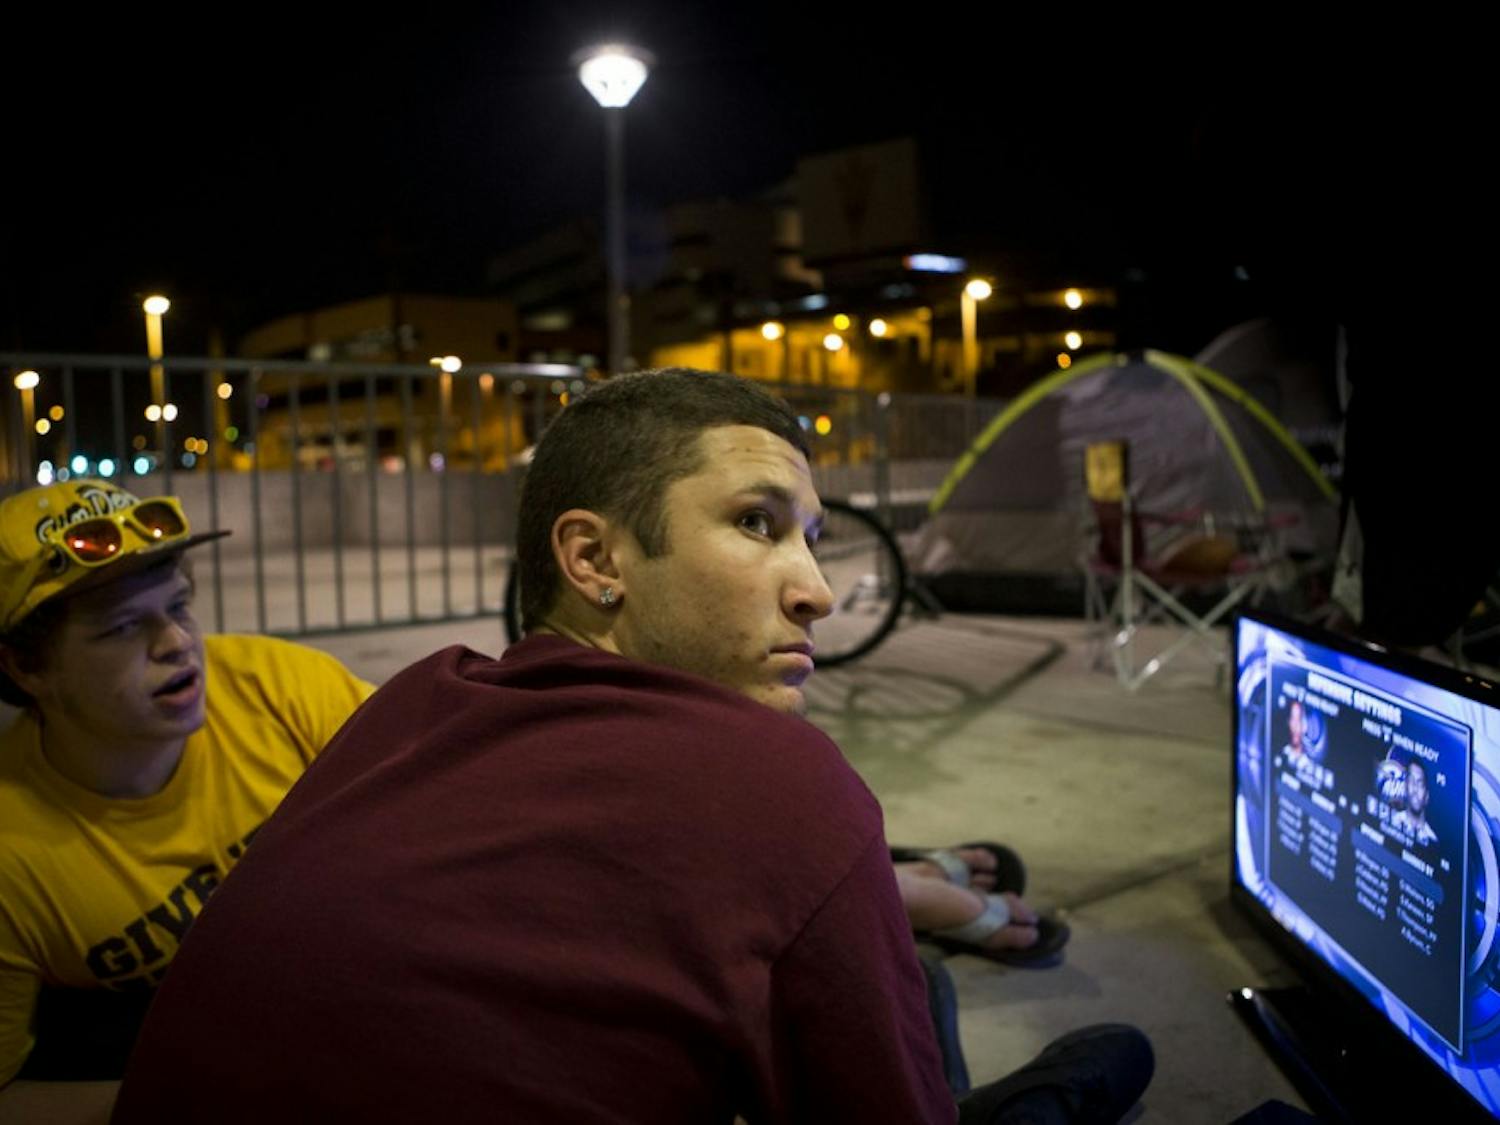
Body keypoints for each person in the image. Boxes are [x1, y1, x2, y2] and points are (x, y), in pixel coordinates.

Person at [114, 369, 1152, 1124]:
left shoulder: (413, 702)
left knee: (900, 988)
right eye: (756, 523)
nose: (818, 590)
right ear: (594, 556)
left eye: (811, 536)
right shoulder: (783, 784)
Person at [0, 478, 374, 1124]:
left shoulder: (282, 687)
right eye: (121, 627)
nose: (176, 643)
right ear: (26, 668)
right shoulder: (13, 857)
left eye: (179, 606)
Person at [1393, 761, 1439, 846]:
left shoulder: (1433, 840)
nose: (1415, 790)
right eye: (1411, 781)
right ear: (1405, 787)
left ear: (1427, 796)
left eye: (1420, 784)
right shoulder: (1393, 820)